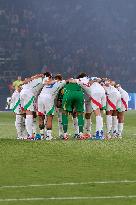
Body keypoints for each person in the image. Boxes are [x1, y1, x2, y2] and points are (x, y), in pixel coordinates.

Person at [38, 73, 66, 140]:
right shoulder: (60, 82)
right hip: (48, 98)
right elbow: (68, 81)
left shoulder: (47, 81)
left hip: (40, 98)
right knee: (49, 117)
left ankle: (42, 135)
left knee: (41, 117)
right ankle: (48, 136)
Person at [20, 73, 44, 139]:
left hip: (22, 94)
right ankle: (31, 135)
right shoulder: (41, 81)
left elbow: (22, 83)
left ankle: (29, 133)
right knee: (29, 113)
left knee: (26, 113)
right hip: (28, 94)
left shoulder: (31, 80)